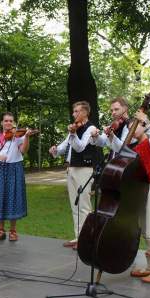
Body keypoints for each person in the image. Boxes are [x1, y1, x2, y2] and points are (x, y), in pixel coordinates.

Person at [111, 111, 150, 283]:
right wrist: (112, 136)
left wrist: (147, 122)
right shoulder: (135, 148)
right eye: (129, 127)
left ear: (143, 126)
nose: (131, 129)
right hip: (141, 190)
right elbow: (119, 149)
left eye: (134, 126)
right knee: (144, 229)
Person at [49, 101, 97, 250]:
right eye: (74, 111)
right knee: (74, 206)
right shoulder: (74, 128)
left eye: (77, 111)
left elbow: (80, 147)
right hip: (71, 169)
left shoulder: (91, 128)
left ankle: (86, 240)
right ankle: (78, 237)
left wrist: (73, 134)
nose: (74, 114)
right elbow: (65, 146)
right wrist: (55, 150)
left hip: (84, 170)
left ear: (85, 113)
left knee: (84, 206)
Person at [0, 112, 33, 242]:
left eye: (11, 121)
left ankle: (13, 231)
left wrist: (27, 137)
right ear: (1, 122)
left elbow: (23, 150)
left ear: (14, 123)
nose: (8, 123)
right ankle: (0, 230)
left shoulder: (18, 136)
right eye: (6, 121)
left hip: (14, 168)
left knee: (13, 198)